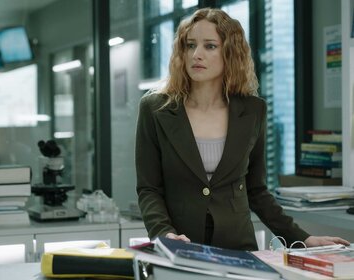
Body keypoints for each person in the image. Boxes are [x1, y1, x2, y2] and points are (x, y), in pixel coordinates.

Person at [135, 8, 350, 251]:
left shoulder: (253, 110)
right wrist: (164, 233)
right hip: (180, 246)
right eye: (190, 45)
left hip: (238, 246)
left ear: (230, 53)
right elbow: (149, 188)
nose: (196, 54)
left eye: (210, 46)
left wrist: (302, 238)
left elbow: (257, 190)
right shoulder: (155, 109)